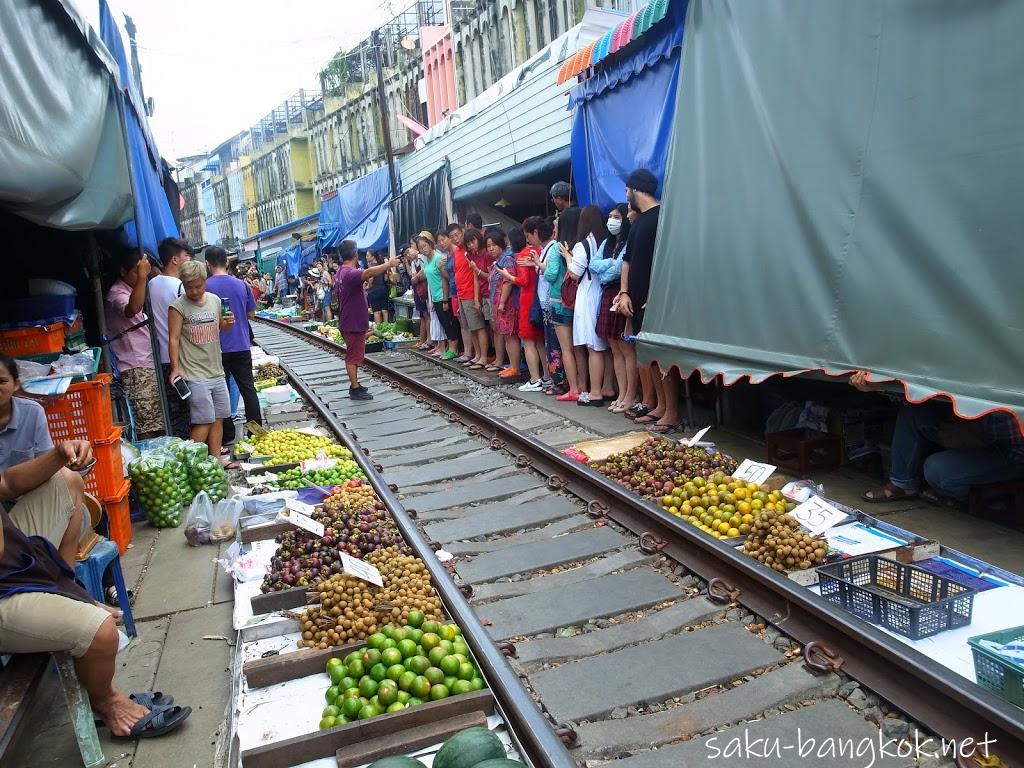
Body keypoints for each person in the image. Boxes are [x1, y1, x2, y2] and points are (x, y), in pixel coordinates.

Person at [0, 445, 192, 738]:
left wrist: (58, 456)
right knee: (102, 633)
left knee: (65, 481)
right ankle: (106, 702)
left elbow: (8, 484)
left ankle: (63, 589)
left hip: (10, 564)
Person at [848, 374, 1024, 505]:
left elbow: (1013, 448)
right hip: (972, 429)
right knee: (914, 410)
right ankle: (902, 483)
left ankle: (960, 495)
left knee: (938, 470)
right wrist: (876, 386)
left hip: (1009, 453)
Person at [618, 169, 679, 432]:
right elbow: (627, 261)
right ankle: (660, 407)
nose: (625, 195)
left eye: (627, 190)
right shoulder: (638, 221)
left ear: (635, 188)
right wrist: (623, 292)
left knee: (662, 357)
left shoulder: (662, 217)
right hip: (635, 300)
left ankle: (672, 412)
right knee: (648, 355)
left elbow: (671, 260)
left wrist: (657, 295)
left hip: (656, 302)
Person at [167, 260, 236, 467]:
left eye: (198, 286)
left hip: (216, 370)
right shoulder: (178, 306)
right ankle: (189, 464)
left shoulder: (215, 301)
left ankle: (216, 460)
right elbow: (174, 339)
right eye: (189, 287)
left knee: (219, 417)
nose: (194, 291)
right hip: (194, 373)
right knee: (203, 419)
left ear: (205, 281)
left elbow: (221, 328)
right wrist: (175, 369)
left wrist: (227, 323)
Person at [205, 246, 262, 447]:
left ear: (207, 264)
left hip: (216, 348)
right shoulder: (241, 285)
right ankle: (255, 432)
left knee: (221, 393)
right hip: (241, 344)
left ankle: (227, 435)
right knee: (248, 389)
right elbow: (251, 314)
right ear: (227, 263)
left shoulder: (204, 286)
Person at [104, 249, 163, 438]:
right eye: (136, 272)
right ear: (123, 271)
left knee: (154, 420)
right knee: (147, 425)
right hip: (135, 367)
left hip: (144, 364)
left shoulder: (131, 289)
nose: (140, 276)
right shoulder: (116, 293)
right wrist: (143, 278)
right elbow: (132, 309)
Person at [335, 240, 398, 400]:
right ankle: (354, 388)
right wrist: (388, 264)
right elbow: (369, 273)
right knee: (352, 356)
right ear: (355, 253)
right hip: (352, 322)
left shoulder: (341, 272)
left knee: (354, 353)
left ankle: (355, 384)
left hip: (349, 320)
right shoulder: (350, 273)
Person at [563, 205, 610, 406]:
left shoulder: (583, 244)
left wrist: (567, 256)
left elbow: (574, 273)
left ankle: (596, 392)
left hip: (588, 294)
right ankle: (608, 387)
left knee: (593, 346)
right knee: (607, 347)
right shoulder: (605, 241)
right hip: (602, 291)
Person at [592, 203, 633, 413]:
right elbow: (593, 265)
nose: (612, 220)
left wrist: (606, 268)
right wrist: (609, 264)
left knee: (625, 348)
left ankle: (630, 395)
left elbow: (617, 271)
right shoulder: (607, 243)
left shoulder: (628, 241)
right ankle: (622, 393)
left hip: (620, 292)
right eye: (609, 216)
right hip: (608, 294)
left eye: (616, 216)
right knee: (615, 348)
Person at [152, 237, 193, 438]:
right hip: (181, 358)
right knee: (189, 410)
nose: (189, 260)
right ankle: (190, 449)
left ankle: (178, 447)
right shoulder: (179, 286)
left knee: (173, 409)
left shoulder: (151, 285)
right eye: (186, 256)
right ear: (175, 260)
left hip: (161, 357)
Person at [497, 227, 546, 390]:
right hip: (539, 298)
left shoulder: (524, 254)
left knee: (529, 341)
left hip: (527, 300)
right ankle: (545, 376)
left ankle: (534, 379)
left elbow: (523, 281)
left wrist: (508, 276)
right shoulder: (541, 250)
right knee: (539, 341)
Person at [545, 207, 583, 401]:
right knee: (578, 347)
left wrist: (542, 269)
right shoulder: (580, 245)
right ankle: (583, 386)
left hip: (559, 302)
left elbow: (551, 274)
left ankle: (574, 388)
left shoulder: (557, 247)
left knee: (566, 348)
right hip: (577, 302)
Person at [525, 217, 565, 395]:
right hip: (546, 301)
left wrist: (539, 264)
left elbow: (550, 274)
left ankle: (559, 380)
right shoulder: (546, 249)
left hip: (552, 301)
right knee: (551, 343)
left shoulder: (553, 248)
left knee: (555, 344)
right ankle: (556, 379)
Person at [416, 235, 460, 360]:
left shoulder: (438, 257)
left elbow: (444, 280)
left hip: (443, 296)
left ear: (430, 244)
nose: (423, 249)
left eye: (425, 245)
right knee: (444, 323)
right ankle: (448, 348)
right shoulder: (427, 260)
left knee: (450, 324)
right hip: (435, 297)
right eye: (420, 248)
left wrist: (445, 300)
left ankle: (453, 349)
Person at [487, 229, 520, 377]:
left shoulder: (507, 259)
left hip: (507, 304)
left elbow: (508, 281)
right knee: (506, 336)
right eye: (488, 246)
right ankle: (512, 366)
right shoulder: (499, 260)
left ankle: (515, 367)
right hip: (500, 304)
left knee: (510, 336)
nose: (491, 248)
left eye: (493, 245)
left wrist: (501, 303)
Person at [460, 229, 492, 370]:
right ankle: (479, 355)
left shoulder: (486, 254)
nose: (472, 245)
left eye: (473, 241)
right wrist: (476, 298)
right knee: (474, 327)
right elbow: (476, 278)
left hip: (491, 294)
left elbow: (490, 276)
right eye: (469, 243)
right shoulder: (473, 255)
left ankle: (485, 356)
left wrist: (477, 270)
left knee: (482, 327)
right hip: (481, 294)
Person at [447, 224, 477, 364]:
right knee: (464, 325)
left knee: (475, 326)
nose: (455, 238)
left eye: (457, 235)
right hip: (459, 292)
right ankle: (468, 352)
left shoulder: (469, 249)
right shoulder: (456, 251)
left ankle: (476, 354)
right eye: (452, 237)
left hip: (470, 292)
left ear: (462, 232)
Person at [365, 251, 392, 325]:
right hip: (383, 288)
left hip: (374, 290)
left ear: (373, 257)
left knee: (376, 311)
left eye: (368, 256)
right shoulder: (381, 264)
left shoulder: (371, 266)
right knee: (384, 310)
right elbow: (386, 278)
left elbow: (371, 278)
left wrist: (368, 286)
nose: (366, 257)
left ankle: (379, 329)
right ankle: (386, 327)